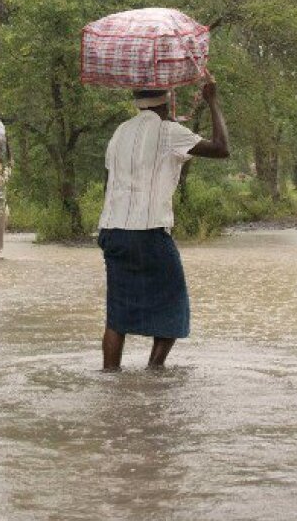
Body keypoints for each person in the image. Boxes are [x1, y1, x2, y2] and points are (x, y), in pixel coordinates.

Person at [97, 76, 229, 371]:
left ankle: (109, 378)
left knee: (117, 314)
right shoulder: (169, 132)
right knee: (174, 304)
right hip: (149, 232)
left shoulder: (119, 132)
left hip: (112, 230)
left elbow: (110, 181)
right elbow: (222, 148)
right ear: (167, 100)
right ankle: (155, 370)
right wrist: (212, 101)